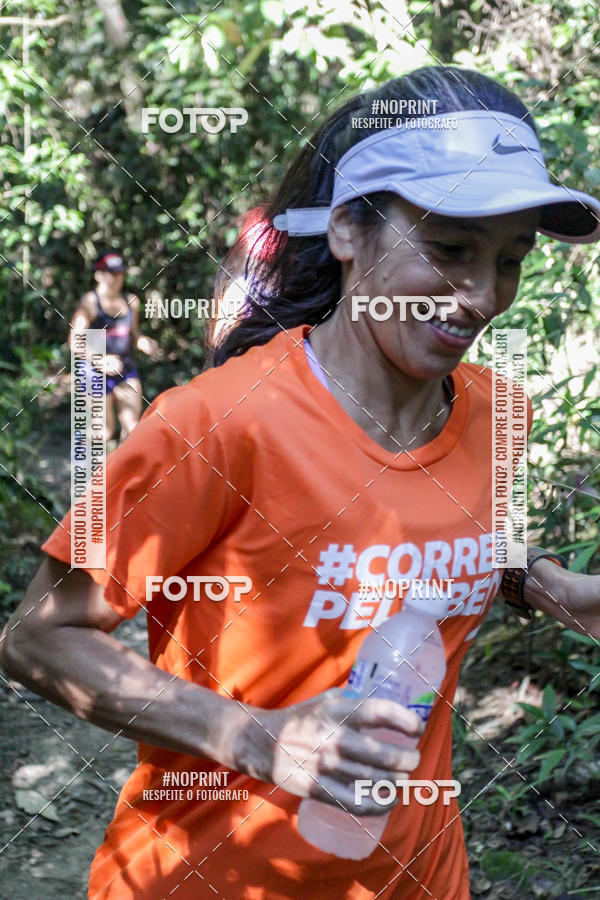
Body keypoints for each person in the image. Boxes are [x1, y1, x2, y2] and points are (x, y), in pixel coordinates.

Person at [2, 65, 600, 900]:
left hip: (420, 877)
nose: (479, 296)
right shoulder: (211, 423)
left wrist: (545, 587)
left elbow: (454, 540)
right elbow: (37, 636)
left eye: (510, 260)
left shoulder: (500, 414)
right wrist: (255, 738)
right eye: (450, 250)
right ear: (349, 231)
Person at [69, 250, 159, 445]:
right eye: (110, 272)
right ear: (98, 275)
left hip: (125, 369)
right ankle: (87, 467)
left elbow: (133, 333)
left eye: (119, 272)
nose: (116, 278)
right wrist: (100, 360)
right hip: (94, 372)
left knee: (133, 428)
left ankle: (126, 472)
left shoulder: (131, 302)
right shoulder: (90, 302)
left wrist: (142, 342)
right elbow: (75, 342)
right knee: (104, 431)